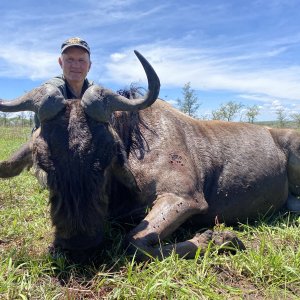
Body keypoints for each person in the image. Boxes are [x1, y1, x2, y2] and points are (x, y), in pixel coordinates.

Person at [33, 37, 94, 129]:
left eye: (81, 60)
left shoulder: (94, 91)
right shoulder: (51, 92)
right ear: (60, 63)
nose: (75, 65)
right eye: (70, 59)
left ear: (89, 65)